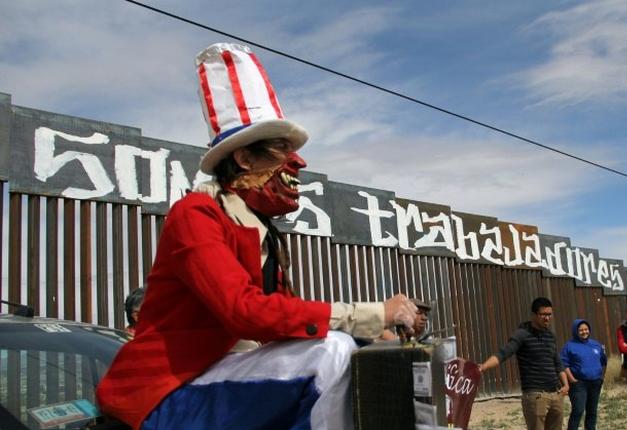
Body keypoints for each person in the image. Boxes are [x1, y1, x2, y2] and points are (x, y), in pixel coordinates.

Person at [96, 42, 417, 430]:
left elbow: (285, 321)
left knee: (356, 352)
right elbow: (243, 311)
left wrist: (377, 335)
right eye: (281, 148)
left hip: (227, 380)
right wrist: (370, 313)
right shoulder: (195, 214)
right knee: (330, 350)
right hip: (169, 392)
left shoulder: (260, 229)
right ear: (245, 159)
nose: (296, 162)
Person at [479, 297, 569, 430]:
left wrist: (566, 384)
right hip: (536, 396)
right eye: (543, 314)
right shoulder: (522, 335)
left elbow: (557, 362)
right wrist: (483, 367)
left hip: (556, 395)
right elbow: (504, 353)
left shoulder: (550, 336)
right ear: (534, 315)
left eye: (549, 314)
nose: (547, 318)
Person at [561, 319, 607, 430]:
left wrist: (601, 378)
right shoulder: (569, 346)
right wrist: (572, 380)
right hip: (578, 383)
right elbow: (563, 364)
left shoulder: (596, 344)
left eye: (586, 329)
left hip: (595, 383)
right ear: (575, 331)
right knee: (578, 410)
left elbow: (603, 362)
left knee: (592, 412)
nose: (584, 332)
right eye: (580, 330)